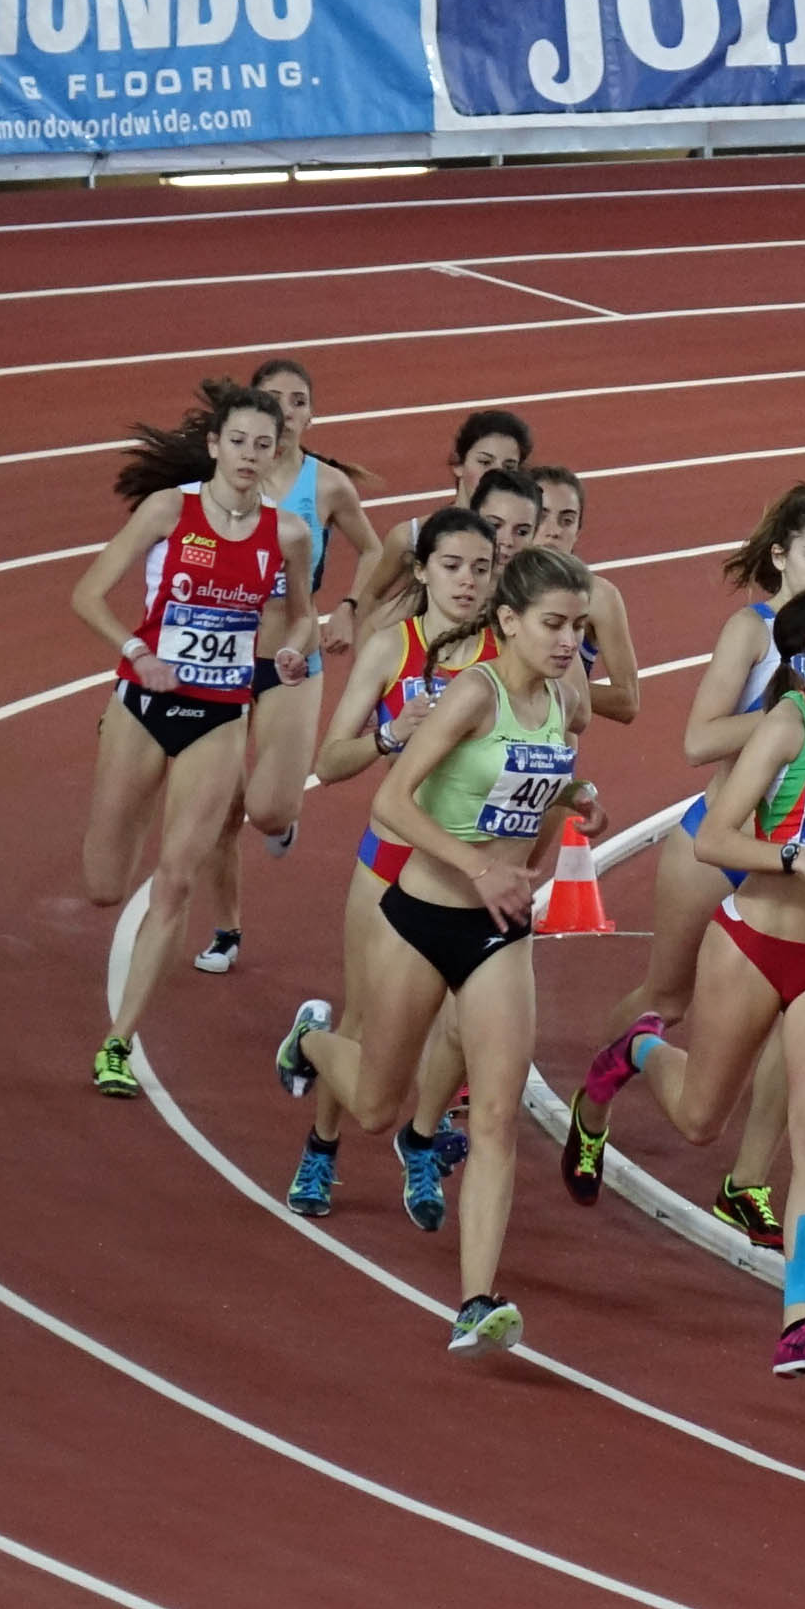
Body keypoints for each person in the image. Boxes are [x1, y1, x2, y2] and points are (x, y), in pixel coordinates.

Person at [566, 571, 805, 1379]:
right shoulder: (786, 727)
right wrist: (795, 855)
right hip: (752, 941)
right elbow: (714, 838)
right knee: (699, 1119)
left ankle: (801, 1316)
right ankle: (636, 1054)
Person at [276, 547, 600, 1356]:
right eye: (554, 625)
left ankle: (477, 1299)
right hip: (424, 914)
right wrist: (477, 866)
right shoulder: (470, 695)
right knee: (379, 1103)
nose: (568, 641)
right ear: (510, 623)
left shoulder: (566, 700)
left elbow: (533, 784)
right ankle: (311, 1040)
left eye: (579, 626)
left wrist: (575, 797)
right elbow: (392, 802)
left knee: (494, 1115)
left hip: (498, 934)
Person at [598, 485, 805, 1249]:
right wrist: (792, 713)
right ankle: (596, 1097)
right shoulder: (753, 632)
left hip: (796, 859)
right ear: (780, 557)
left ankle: (746, 1182)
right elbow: (697, 740)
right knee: (666, 998)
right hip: (719, 841)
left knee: (795, 1016)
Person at [71, 382, 314, 1099]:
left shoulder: (287, 535)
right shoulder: (168, 511)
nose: (247, 455)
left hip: (220, 715)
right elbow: (86, 594)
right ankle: (125, 762)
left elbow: (303, 615)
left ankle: (118, 1042)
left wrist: (295, 651)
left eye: (261, 446)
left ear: (276, 455)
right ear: (214, 446)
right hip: (144, 702)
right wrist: (135, 651)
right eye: (236, 441)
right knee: (104, 886)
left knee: (175, 877)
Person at [282, 506, 499, 1225]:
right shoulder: (390, 648)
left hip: (468, 868)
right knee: (369, 1018)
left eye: (481, 568)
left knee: (462, 1025)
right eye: (451, 566)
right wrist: (388, 735)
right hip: (390, 862)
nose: (467, 582)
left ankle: (425, 1141)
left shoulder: (508, 654)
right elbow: (329, 761)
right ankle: (321, 1138)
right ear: (421, 570)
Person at [191, 357, 388, 974]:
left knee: (270, 809)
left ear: (308, 415)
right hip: (220, 660)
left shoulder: (326, 485)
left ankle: (280, 819)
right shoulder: (217, 479)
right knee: (219, 806)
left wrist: (350, 609)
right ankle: (226, 929)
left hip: (290, 660)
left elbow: (375, 548)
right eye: (273, 398)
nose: (286, 409)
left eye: (297, 400)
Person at [354, 410, 532, 629]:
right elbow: (372, 597)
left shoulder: (519, 541)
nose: (494, 474)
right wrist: (365, 656)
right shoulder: (411, 536)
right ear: (459, 465)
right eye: (485, 462)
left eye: (509, 467)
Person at [526, 463, 641, 727]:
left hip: (556, 751)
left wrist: (543, 681)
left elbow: (628, 702)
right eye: (542, 516)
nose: (553, 530)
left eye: (566, 520)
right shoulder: (495, 587)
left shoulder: (599, 597)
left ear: (578, 531)